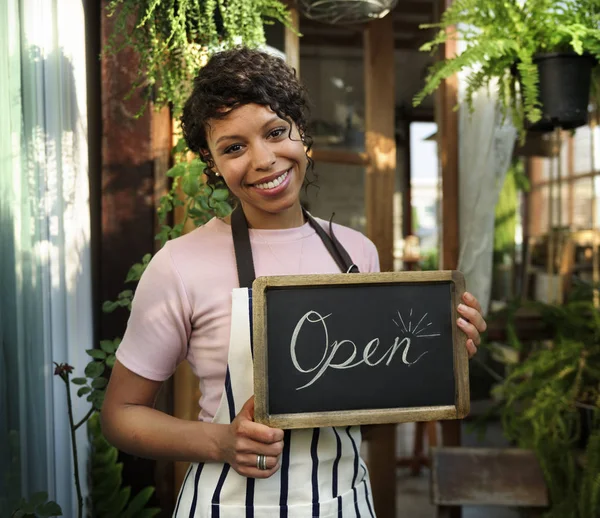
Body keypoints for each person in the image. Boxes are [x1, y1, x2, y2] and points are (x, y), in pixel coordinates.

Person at [101, 47, 487, 517]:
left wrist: (439, 352)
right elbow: (120, 416)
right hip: (230, 505)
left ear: (301, 133)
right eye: (234, 147)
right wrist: (219, 441)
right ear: (212, 161)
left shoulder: (356, 253)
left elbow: (374, 387)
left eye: (275, 132)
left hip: (347, 502)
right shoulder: (179, 265)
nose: (263, 159)